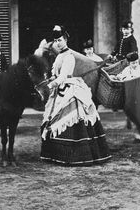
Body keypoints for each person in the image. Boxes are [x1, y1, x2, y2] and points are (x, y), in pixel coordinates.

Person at [40, 25, 111, 165]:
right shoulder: (59, 56)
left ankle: (75, 155)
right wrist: (49, 79)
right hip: (58, 89)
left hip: (70, 88)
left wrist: (50, 85)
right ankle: (55, 154)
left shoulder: (69, 56)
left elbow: (62, 77)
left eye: (60, 40)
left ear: (66, 39)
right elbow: (55, 75)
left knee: (72, 116)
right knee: (51, 116)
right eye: (56, 41)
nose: (58, 43)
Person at [111, 52, 140, 143]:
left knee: (138, 116)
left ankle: (138, 136)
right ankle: (129, 119)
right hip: (129, 96)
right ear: (129, 63)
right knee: (130, 112)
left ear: (138, 61)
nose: (135, 65)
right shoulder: (127, 69)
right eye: (133, 63)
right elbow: (121, 75)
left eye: (136, 62)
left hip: (139, 95)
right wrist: (117, 77)